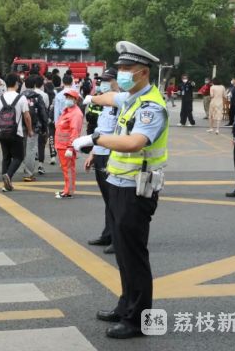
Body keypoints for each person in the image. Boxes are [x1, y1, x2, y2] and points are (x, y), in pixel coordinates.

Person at [75, 41, 168, 339]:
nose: (122, 74)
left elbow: (134, 142)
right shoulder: (131, 97)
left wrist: (95, 139)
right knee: (123, 254)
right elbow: (111, 96)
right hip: (119, 184)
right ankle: (126, 305)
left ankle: (138, 320)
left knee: (134, 255)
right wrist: (90, 96)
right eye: (120, 69)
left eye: (127, 69)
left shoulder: (151, 106)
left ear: (143, 72)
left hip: (136, 190)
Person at [85, 68, 120, 254]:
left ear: (116, 81)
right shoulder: (105, 102)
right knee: (107, 198)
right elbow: (100, 130)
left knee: (114, 199)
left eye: (108, 80)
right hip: (100, 152)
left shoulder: (121, 102)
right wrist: (92, 152)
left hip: (112, 154)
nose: (104, 84)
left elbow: (119, 132)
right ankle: (108, 234)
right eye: (102, 80)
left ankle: (118, 238)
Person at [0, 73, 33, 192]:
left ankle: (5, 183)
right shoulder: (21, 98)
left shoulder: (0, 98)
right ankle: (8, 175)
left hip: (2, 131)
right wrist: (30, 130)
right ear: (16, 84)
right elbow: (27, 116)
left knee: (6, 157)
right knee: (18, 157)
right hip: (16, 132)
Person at [54, 88, 83, 198]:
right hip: (62, 145)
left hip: (67, 146)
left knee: (68, 169)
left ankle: (68, 191)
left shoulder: (76, 114)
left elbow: (75, 131)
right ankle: (67, 188)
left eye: (70, 98)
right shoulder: (67, 110)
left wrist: (70, 147)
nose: (67, 99)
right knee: (66, 169)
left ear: (75, 100)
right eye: (66, 97)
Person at [21, 74, 48, 182]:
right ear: (35, 85)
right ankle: (29, 173)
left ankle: (25, 167)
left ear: (25, 84)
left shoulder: (20, 96)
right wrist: (44, 128)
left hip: (21, 126)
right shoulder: (37, 96)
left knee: (23, 148)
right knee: (31, 149)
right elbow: (43, 113)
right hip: (34, 127)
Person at [34, 76, 50, 174]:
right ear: (42, 85)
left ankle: (28, 166)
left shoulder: (28, 94)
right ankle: (40, 165)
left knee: (30, 146)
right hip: (41, 122)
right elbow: (46, 108)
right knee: (41, 144)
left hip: (31, 123)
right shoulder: (44, 95)